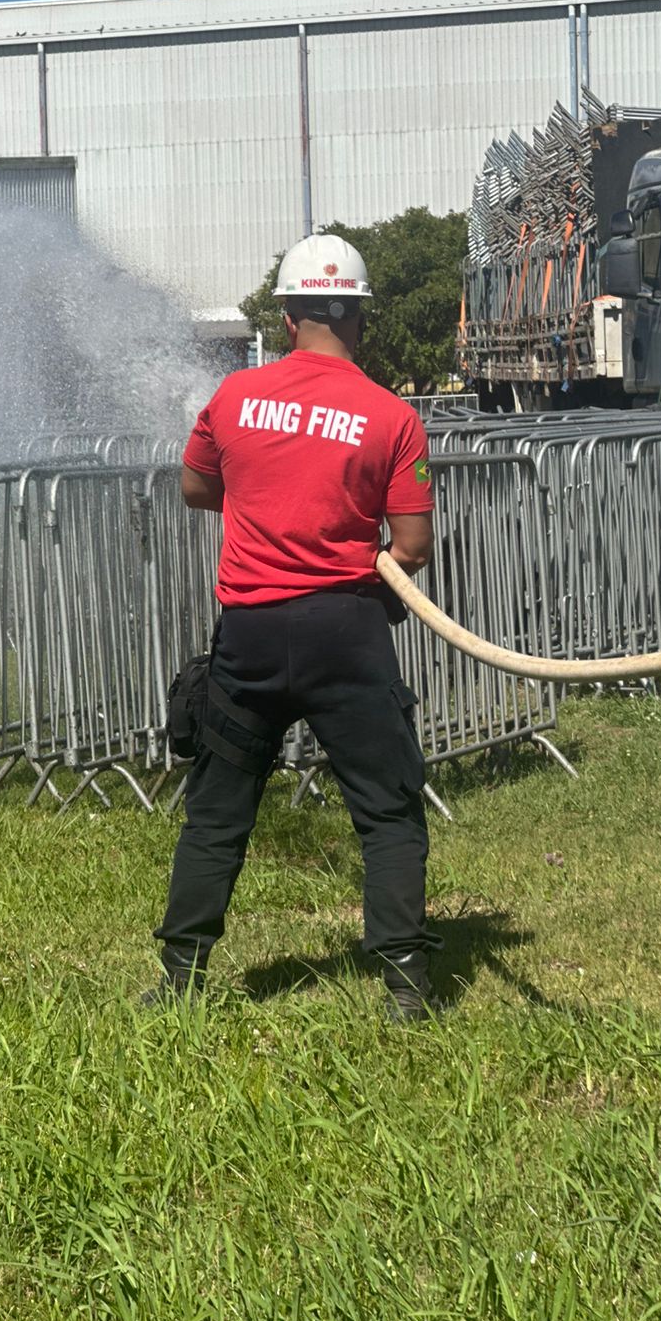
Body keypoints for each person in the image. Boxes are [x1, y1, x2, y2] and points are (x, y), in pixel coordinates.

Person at [149, 233, 440, 1022]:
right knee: (385, 807)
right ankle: (407, 989)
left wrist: (264, 507)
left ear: (284, 316)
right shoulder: (392, 416)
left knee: (219, 807)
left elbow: (196, 488)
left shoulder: (233, 399)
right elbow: (411, 546)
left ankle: (180, 979)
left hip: (248, 632)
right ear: (360, 317)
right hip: (347, 630)